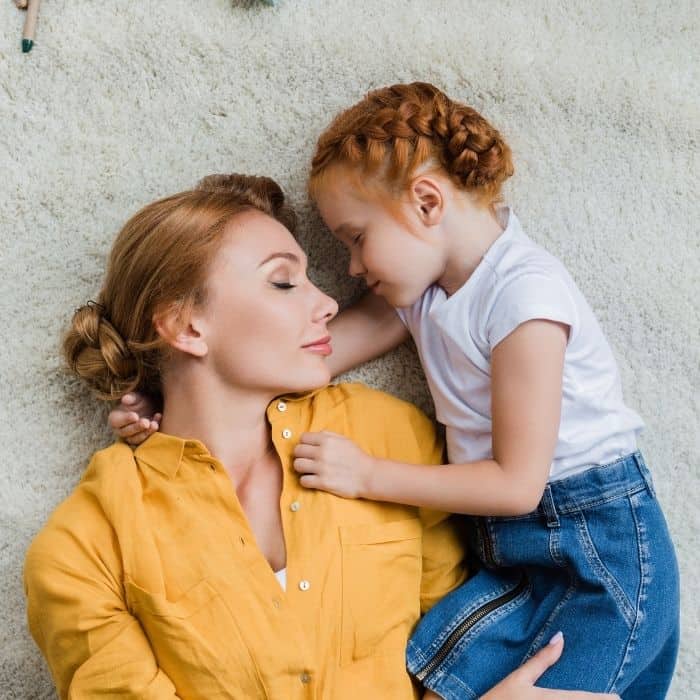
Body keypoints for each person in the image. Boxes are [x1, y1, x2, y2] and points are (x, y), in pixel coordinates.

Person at [114, 82, 680, 699]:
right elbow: (307, 359)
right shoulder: (424, 293)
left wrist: (368, 477)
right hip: (518, 552)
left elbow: (517, 485)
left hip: (594, 543)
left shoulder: (524, 298)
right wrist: (166, 400)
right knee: (436, 677)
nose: (351, 270)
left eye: (356, 238)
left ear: (426, 203)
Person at [24, 174, 618, 700]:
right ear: (185, 325)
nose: (330, 302)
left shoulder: (389, 437)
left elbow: (457, 647)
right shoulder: (81, 552)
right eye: (284, 282)